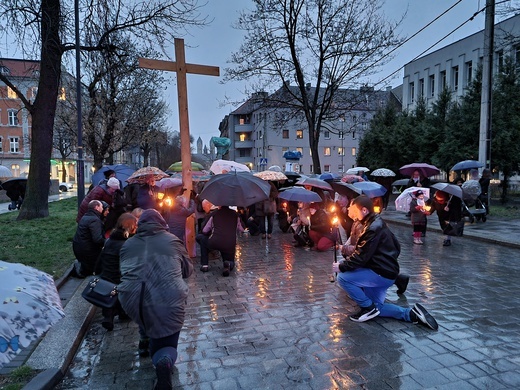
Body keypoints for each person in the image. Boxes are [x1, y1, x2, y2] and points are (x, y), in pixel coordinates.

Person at [332, 195, 438, 329]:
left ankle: (367, 308)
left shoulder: (371, 228)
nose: (349, 210)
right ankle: (411, 314)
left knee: (343, 278)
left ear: (364, 210)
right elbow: (396, 246)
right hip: (386, 271)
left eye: (352, 208)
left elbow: (360, 257)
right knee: (377, 308)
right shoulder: (376, 222)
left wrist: (341, 266)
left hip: (381, 273)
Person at [118, 209, 194, 389]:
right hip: (169, 298)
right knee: (165, 343)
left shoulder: (127, 245)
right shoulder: (172, 240)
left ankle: (145, 340)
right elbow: (187, 270)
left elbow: (124, 272)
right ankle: (164, 360)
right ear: (162, 223)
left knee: (146, 311)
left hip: (131, 299)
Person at [97, 213, 138, 331]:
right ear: (130, 226)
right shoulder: (126, 243)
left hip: (107, 273)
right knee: (123, 287)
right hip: (119, 274)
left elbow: (102, 257)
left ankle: (108, 316)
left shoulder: (110, 240)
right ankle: (122, 312)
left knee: (111, 291)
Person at [196, 205, 244, 276]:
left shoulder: (214, 214)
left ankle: (205, 265)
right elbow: (242, 229)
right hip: (229, 244)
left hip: (215, 242)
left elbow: (204, 230)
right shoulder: (235, 214)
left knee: (202, 239)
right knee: (230, 259)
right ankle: (228, 264)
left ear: (219, 205)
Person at [72, 200, 106, 277]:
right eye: (101, 206)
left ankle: (83, 267)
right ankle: (82, 269)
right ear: (97, 207)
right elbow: (97, 239)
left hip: (79, 247)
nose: (102, 208)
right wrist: (107, 242)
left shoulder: (85, 216)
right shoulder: (95, 220)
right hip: (88, 251)